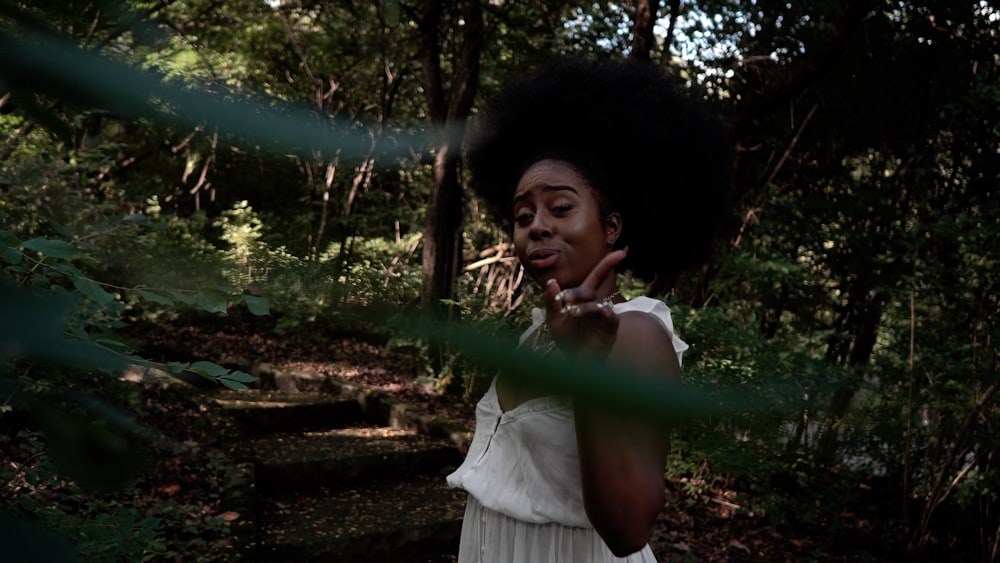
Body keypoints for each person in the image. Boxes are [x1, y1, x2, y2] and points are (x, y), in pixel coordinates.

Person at [446, 57, 733, 563]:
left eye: (560, 207)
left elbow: (628, 530)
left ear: (613, 227)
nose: (536, 225)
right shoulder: (535, 336)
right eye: (522, 215)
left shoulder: (638, 333)